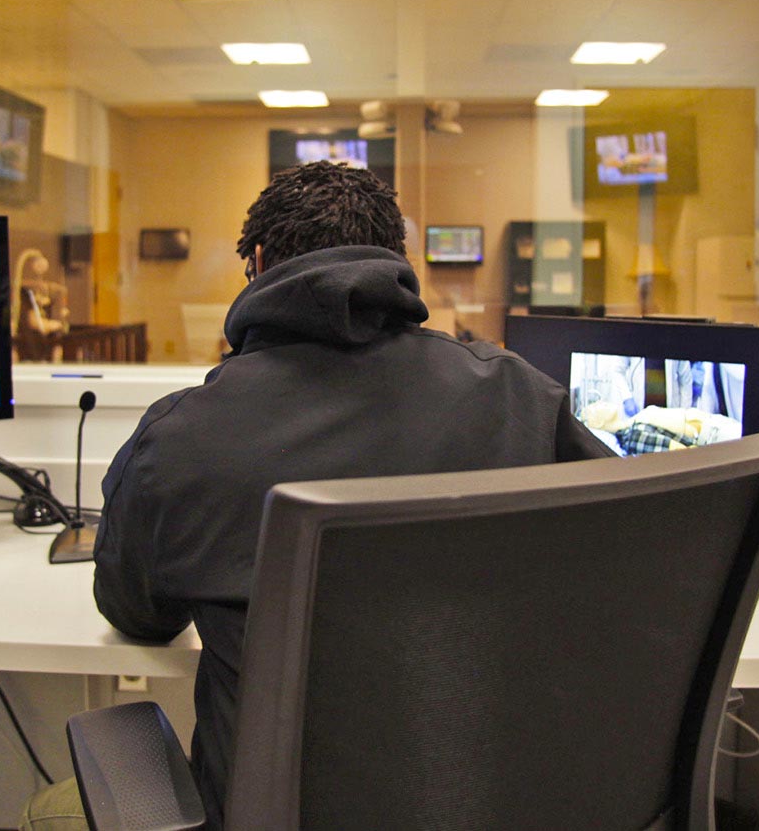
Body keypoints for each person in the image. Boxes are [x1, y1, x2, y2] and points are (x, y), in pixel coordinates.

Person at [86, 161, 614, 827]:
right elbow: (624, 559)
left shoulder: (181, 437)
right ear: (398, 263)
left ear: (255, 264)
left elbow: (135, 612)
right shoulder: (514, 397)